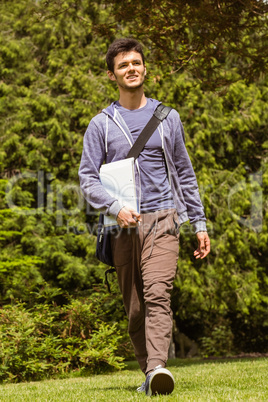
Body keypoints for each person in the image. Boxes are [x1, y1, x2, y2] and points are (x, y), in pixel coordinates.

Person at [79, 38, 210, 396]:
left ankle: (157, 369)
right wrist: (114, 208)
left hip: (164, 218)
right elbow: (87, 177)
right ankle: (150, 372)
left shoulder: (168, 118)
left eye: (136, 62)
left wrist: (198, 223)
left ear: (145, 69)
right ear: (112, 74)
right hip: (122, 226)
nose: (131, 68)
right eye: (123, 65)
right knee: (135, 309)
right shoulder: (101, 125)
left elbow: (184, 173)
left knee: (157, 294)